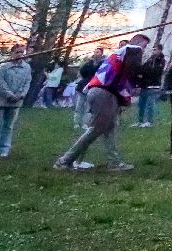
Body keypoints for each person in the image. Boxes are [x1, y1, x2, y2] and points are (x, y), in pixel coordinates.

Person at [54, 34, 148, 172]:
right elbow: (134, 71)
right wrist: (141, 79)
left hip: (99, 91)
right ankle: (65, 160)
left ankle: (114, 162)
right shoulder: (134, 49)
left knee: (109, 128)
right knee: (96, 129)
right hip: (106, 93)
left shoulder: (119, 53)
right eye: (144, 46)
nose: (144, 50)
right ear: (138, 42)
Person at [0, 44, 32, 159]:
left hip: (16, 102)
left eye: (22, 52)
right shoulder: (3, 67)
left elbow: (27, 82)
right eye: (17, 52)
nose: (20, 54)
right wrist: (9, 95)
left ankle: (3, 148)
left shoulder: (27, 67)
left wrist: (21, 94)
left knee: (8, 126)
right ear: (12, 53)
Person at [133, 42, 166, 128]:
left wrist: (145, 72)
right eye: (153, 49)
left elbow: (155, 71)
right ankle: (140, 121)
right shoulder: (150, 59)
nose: (153, 51)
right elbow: (143, 68)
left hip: (153, 86)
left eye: (155, 49)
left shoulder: (161, 61)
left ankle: (149, 121)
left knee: (150, 104)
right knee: (141, 104)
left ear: (160, 50)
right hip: (145, 85)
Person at [72, 47, 104, 130]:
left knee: (88, 106)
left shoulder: (103, 64)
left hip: (94, 87)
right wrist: (87, 64)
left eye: (98, 52)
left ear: (101, 54)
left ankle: (85, 123)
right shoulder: (89, 63)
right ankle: (76, 123)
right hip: (83, 86)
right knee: (79, 105)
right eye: (95, 52)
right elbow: (82, 72)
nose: (96, 54)